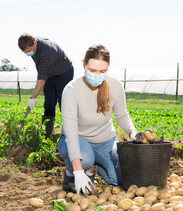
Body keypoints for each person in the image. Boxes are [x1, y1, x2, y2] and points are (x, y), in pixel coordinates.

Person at [57, 44, 146, 196]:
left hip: (106, 141)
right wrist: (78, 171)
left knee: (118, 180)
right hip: (79, 139)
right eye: (92, 70)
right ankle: (73, 173)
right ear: (84, 65)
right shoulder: (71, 90)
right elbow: (71, 134)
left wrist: (133, 133)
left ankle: (95, 166)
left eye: (102, 71)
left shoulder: (115, 86)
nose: (97, 75)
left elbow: (121, 115)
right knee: (84, 159)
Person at [18, 33, 74, 138]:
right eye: (26, 52)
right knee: (48, 104)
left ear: (34, 43)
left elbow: (41, 80)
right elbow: (41, 73)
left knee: (64, 104)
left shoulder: (46, 51)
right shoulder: (33, 46)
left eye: (29, 51)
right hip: (50, 74)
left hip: (63, 72)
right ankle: (47, 135)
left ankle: (68, 136)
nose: (28, 54)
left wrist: (32, 99)